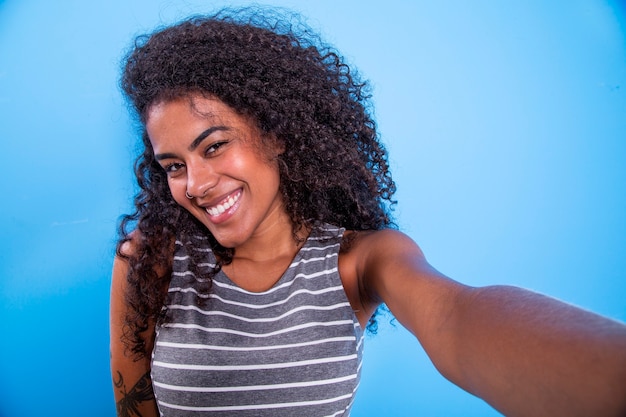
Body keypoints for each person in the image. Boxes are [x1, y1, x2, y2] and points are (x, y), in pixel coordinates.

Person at [109, 7, 626, 417]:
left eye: (215, 145)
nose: (194, 184)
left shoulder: (359, 261)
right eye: (173, 165)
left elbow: (453, 318)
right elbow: (133, 404)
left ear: (278, 132)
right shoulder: (149, 258)